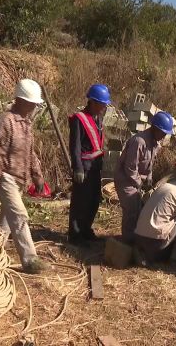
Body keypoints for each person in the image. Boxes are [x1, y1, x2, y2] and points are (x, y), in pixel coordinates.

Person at [0, 79, 49, 273]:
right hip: (7, 178)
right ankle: (30, 261)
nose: (33, 106)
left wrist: (38, 177)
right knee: (20, 216)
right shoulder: (6, 121)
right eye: (31, 103)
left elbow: (31, 153)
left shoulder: (26, 123)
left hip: (20, 180)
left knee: (4, 224)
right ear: (20, 100)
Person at [114, 111, 173, 244]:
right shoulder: (139, 141)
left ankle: (136, 238)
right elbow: (130, 168)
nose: (164, 136)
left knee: (141, 209)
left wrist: (149, 179)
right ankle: (127, 243)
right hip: (126, 180)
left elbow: (149, 164)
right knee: (131, 210)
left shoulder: (155, 143)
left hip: (137, 180)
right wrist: (140, 183)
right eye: (163, 132)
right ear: (155, 128)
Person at [68, 84, 110, 245]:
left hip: (95, 167)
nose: (104, 107)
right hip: (84, 167)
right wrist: (77, 168)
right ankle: (75, 235)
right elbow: (75, 145)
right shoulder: (79, 119)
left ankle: (86, 229)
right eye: (101, 104)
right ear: (92, 102)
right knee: (80, 202)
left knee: (93, 200)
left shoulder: (98, 118)